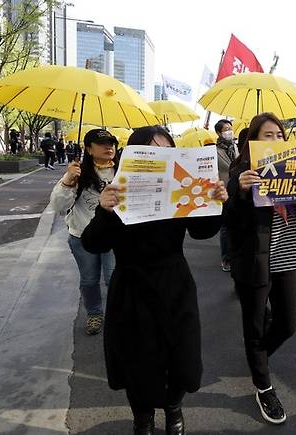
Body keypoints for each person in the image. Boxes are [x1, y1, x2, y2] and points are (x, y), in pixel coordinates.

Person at [81, 126, 228, 435]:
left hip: (175, 284)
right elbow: (93, 243)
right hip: (131, 288)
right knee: (137, 360)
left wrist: (216, 203)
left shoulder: (184, 187)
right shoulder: (118, 190)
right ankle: (143, 415)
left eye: (166, 151)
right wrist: (105, 211)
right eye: (151, 152)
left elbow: (202, 232)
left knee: (182, 356)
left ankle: (173, 406)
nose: (160, 158)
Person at [224, 112, 296, 424]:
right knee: (255, 324)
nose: (275, 140)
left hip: (287, 258)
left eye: (279, 135)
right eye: (267, 135)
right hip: (254, 262)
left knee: (288, 323)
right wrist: (241, 193)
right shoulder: (242, 175)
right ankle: (263, 385)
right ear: (253, 142)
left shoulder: (294, 170)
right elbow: (228, 222)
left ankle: (258, 356)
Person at [50, 129, 118, 336]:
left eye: (112, 143)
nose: (109, 147)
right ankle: (94, 314)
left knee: (113, 279)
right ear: (88, 149)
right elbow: (58, 206)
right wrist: (69, 180)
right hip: (82, 237)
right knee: (89, 280)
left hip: (113, 238)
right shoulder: (77, 172)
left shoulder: (123, 171)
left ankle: (117, 316)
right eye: (102, 143)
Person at [215, 119, 237, 272]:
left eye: (230, 128)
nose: (229, 131)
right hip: (224, 192)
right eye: (226, 129)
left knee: (236, 223)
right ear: (219, 133)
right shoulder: (214, 151)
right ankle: (226, 258)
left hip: (237, 190)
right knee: (225, 226)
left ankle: (235, 252)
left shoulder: (235, 147)